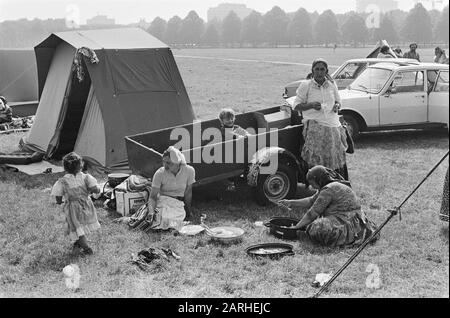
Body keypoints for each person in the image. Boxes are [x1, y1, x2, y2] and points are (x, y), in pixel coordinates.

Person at [279, 165, 379, 247]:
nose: (311, 186)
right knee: (311, 225)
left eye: (312, 183)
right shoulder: (331, 185)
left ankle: (344, 238)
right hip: (353, 220)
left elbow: (312, 213)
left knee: (317, 227)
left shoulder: (329, 189)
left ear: (318, 180)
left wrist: (296, 227)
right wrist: (290, 202)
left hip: (348, 222)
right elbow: (311, 201)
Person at [292, 58, 349, 180]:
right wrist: (311, 105)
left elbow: (339, 101)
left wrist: (337, 106)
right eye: (316, 69)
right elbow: (296, 106)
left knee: (334, 154)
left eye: (322, 69)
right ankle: (318, 181)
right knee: (318, 156)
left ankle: (335, 181)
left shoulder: (331, 84)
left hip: (333, 124)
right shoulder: (306, 85)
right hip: (315, 123)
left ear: (326, 71)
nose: (319, 72)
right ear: (312, 71)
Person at [51, 152, 101, 255]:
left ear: (65, 167)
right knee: (82, 226)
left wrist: (61, 201)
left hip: (72, 208)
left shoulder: (62, 181)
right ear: (81, 165)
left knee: (77, 227)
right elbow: (95, 189)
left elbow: (58, 198)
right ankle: (83, 246)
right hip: (86, 206)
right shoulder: (86, 178)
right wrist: (96, 189)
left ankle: (83, 246)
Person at [148, 146, 195, 230]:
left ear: (177, 162)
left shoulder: (189, 171)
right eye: (164, 162)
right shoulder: (160, 173)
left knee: (176, 218)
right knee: (162, 218)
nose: (165, 165)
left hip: (178, 203)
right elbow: (153, 197)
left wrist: (189, 211)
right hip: (163, 202)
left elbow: (188, 193)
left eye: (169, 163)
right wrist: (151, 212)